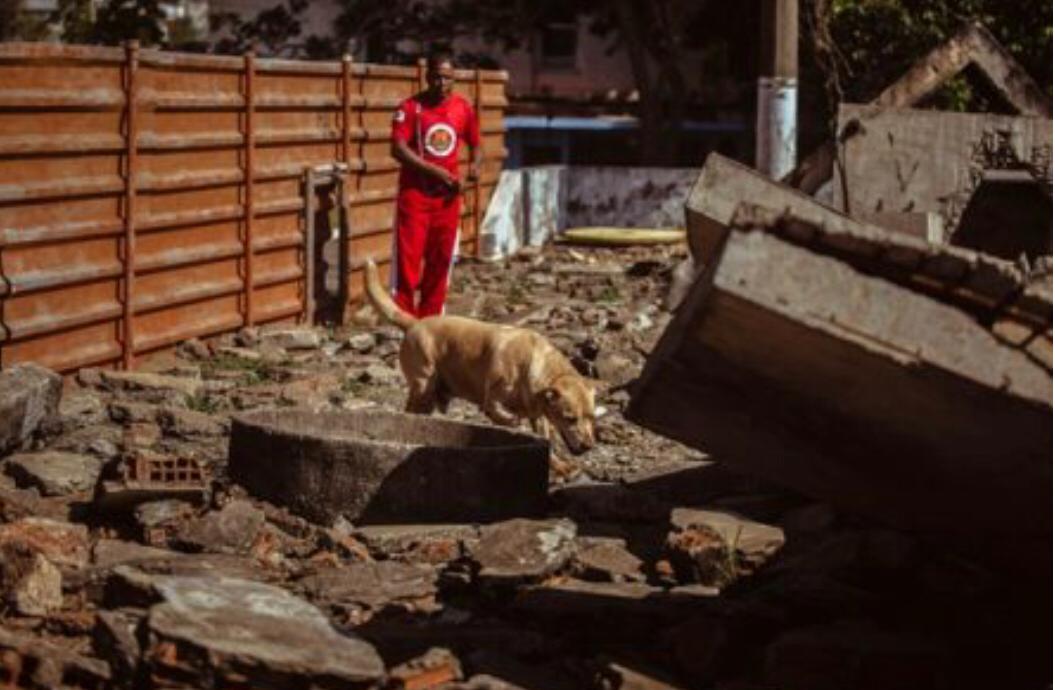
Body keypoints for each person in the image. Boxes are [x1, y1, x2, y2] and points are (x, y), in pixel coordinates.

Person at [389, 51, 482, 317]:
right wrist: (433, 171)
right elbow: (397, 149)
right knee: (408, 259)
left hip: (447, 199)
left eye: (447, 78)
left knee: (441, 260)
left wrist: (472, 171)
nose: (441, 83)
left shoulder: (462, 108)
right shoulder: (410, 108)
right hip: (415, 196)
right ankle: (403, 319)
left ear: (455, 79)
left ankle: (430, 318)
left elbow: (477, 146)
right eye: (437, 77)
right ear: (427, 76)